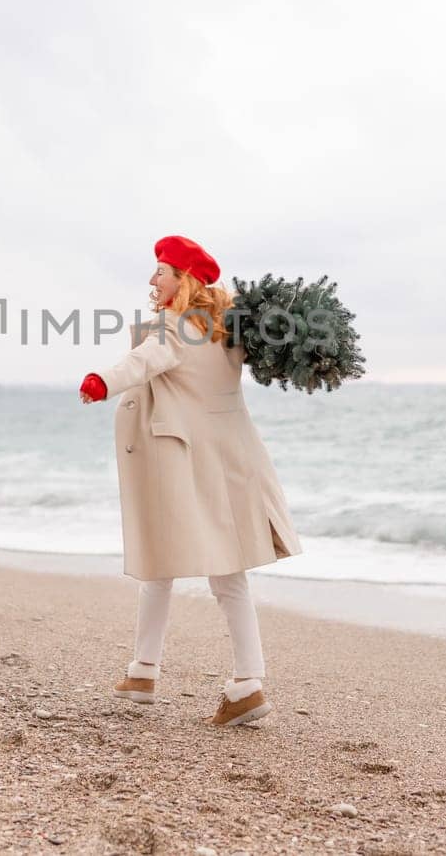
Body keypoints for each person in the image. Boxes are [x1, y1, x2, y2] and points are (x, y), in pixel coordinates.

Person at [79, 234, 303, 727]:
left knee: (198, 568)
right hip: (231, 459)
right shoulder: (228, 331)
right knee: (215, 571)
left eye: (161, 271)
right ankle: (147, 671)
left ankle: (241, 682)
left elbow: (144, 360)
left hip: (187, 462)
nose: (152, 279)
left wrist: (101, 381)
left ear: (184, 280)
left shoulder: (172, 328)